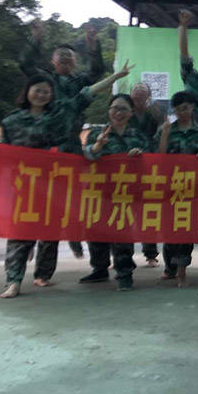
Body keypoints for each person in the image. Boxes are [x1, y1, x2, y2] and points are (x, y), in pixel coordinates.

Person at [0, 62, 133, 299]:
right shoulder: (11, 121)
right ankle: (13, 280)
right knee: (20, 233)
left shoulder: (59, 113)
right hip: (25, 185)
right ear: (28, 92)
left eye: (46, 91)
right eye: (37, 90)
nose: (41, 95)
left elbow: (86, 93)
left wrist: (115, 77)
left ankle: (43, 274)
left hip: (54, 182)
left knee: (50, 231)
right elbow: (5, 152)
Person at [19, 21, 107, 259]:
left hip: (71, 145)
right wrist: (36, 38)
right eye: (62, 57)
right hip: (44, 145)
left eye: (70, 58)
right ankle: (29, 241)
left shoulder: (79, 81)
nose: (66, 61)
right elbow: (25, 65)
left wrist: (93, 46)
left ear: (75, 62)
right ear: (53, 61)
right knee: (39, 196)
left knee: (73, 195)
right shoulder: (45, 80)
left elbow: (97, 73)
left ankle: (74, 236)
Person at [156, 91, 198, 288]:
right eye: (178, 109)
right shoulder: (166, 129)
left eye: (186, 108)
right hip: (170, 189)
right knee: (170, 231)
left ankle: (182, 272)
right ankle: (170, 268)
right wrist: (165, 135)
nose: (183, 112)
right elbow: (158, 156)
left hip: (193, 189)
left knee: (185, 230)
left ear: (192, 108)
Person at [81, 93, 150, 291]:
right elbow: (86, 156)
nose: (118, 113)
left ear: (131, 113)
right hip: (100, 191)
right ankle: (99, 269)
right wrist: (98, 145)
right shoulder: (97, 133)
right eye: (115, 109)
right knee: (96, 231)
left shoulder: (137, 136)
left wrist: (140, 156)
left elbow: (151, 159)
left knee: (122, 234)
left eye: (123, 109)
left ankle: (125, 274)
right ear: (109, 111)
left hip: (126, 193)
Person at [128, 82, 164, 267]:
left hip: (149, 167)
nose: (139, 97)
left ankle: (150, 254)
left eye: (143, 94)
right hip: (126, 169)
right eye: (136, 93)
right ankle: (122, 256)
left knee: (147, 212)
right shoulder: (124, 113)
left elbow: (162, 134)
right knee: (124, 213)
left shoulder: (153, 115)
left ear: (148, 97)